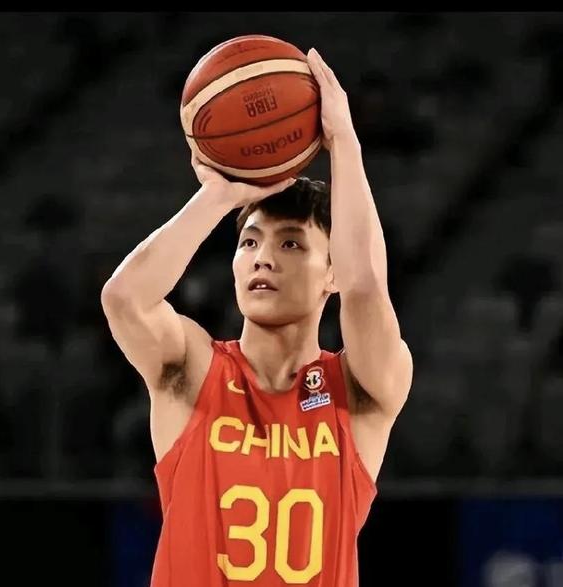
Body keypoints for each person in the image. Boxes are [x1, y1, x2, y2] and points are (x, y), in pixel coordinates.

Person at [101, 48, 413, 587]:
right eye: (249, 242)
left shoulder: (359, 390)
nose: (262, 258)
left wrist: (344, 143)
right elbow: (124, 299)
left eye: (291, 243)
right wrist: (217, 197)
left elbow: (366, 288)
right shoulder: (195, 370)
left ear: (331, 273)